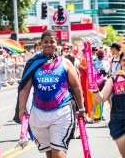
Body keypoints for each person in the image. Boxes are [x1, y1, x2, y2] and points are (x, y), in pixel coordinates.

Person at [18, 30, 85, 158]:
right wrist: (21, 109)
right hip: (38, 114)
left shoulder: (65, 63)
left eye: (52, 41)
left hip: (62, 111)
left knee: (58, 153)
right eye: (46, 42)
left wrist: (81, 108)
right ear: (41, 44)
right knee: (49, 153)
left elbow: (76, 86)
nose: (49, 44)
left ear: (56, 43)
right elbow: (25, 89)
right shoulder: (34, 64)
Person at [91, 49, 125, 158]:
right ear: (120, 62)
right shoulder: (114, 79)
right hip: (118, 121)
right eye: (124, 60)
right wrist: (96, 91)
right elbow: (102, 99)